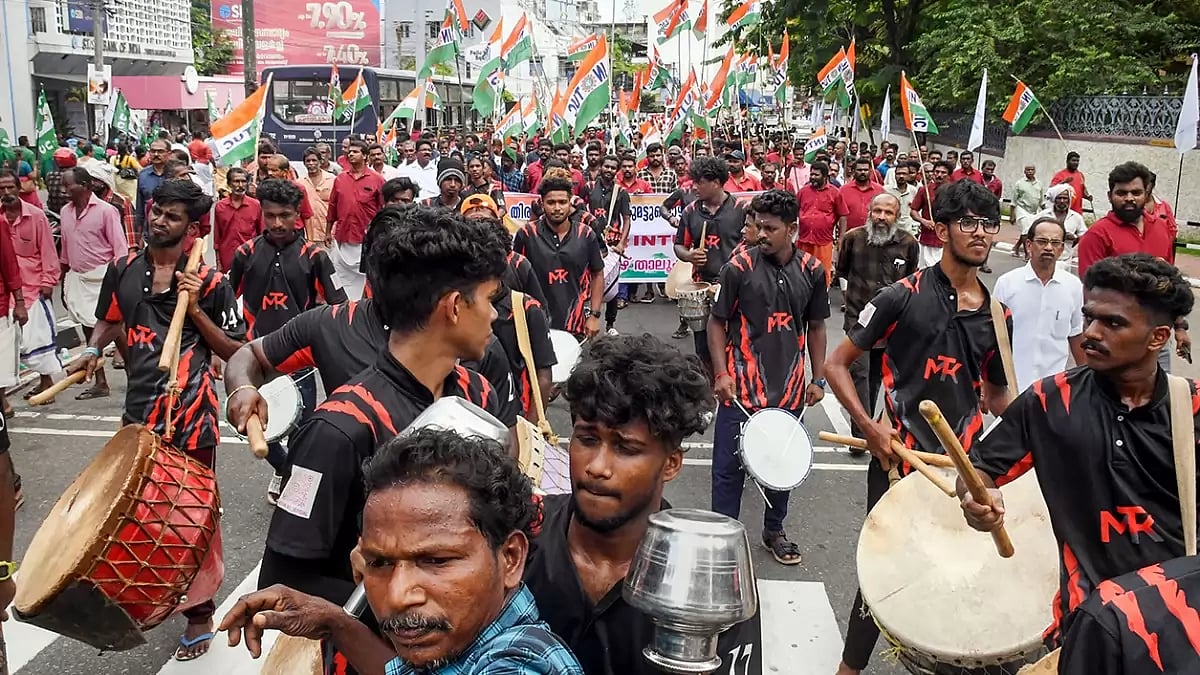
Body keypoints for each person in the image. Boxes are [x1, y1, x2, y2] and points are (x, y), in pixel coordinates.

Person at [248, 207, 508, 644]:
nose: (495, 315)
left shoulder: (479, 394)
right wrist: (394, 592)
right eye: (488, 300)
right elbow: (282, 580)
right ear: (454, 307)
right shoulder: (337, 430)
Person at [960, 252, 1199, 649]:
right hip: (1086, 624)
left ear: (1158, 338)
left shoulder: (1191, 408)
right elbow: (979, 469)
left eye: (1113, 323)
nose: (1091, 333)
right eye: (1089, 318)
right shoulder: (1049, 400)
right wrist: (977, 498)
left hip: (1179, 628)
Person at [826, 179, 1013, 675]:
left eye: (989, 224)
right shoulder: (900, 296)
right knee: (882, 572)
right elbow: (835, 365)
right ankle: (848, 669)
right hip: (899, 459)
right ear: (942, 230)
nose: (980, 233)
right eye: (968, 222)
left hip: (964, 469)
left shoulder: (999, 316)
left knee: (959, 569)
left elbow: (997, 397)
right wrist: (869, 427)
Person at [219, 428, 584, 674]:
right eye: (379, 562)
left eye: (436, 561)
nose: (396, 596)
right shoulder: (467, 641)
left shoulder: (522, 664)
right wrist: (334, 623)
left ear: (510, 558)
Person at [69, 178, 244, 660]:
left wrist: (197, 309)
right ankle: (149, 592)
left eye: (172, 215)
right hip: (139, 411)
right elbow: (110, 319)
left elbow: (236, 350)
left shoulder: (210, 281)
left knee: (192, 516)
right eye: (157, 211)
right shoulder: (122, 268)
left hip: (192, 415)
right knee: (139, 512)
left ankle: (200, 610)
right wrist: (92, 349)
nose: (159, 220)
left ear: (191, 228)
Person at [708, 190, 829, 565]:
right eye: (758, 226)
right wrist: (721, 373)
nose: (760, 233)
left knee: (781, 466)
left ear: (792, 229)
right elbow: (717, 322)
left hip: (789, 392)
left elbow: (817, 326)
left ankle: (774, 530)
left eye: (770, 228)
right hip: (741, 390)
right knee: (728, 470)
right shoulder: (737, 269)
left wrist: (818, 378)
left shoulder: (813, 271)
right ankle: (723, 534)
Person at [227, 179, 346, 502]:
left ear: (298, 215)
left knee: (302, 428)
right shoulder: (245, 254)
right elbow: (224, 301)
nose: (277, 223)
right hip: (257, 357)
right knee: (255, 425)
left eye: (285, 215)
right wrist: (228, 345)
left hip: (300, 358)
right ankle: (284, 469)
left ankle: (297, 479)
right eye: (270, 215)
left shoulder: (315, 256)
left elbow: (338, 306)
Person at [1076, 161, 1188, 373]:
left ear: (1146, 194)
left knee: (1160, 391)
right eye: (1121, 193)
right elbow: (1092, 293)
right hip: (1116, 341)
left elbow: (1169, 286)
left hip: (1156, 337)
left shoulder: (1161, 228)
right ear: (1110, 196)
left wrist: (1180, 327)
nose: (1129, 198)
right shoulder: (1097, 235)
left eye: (1136, 192)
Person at [834, 193, 918, 451]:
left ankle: (867, 423)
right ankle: (862, 435)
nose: (881, 217)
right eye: (877, 211)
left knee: (874, 377)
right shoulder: (853, 239)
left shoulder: (908, 244)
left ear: (897, 216)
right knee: (859, 373)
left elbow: (911, 281)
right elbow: (842, 271)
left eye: (888, 212)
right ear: (869, 213)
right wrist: (847, 297)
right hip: (858, 319)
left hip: (890, 325)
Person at [992, 216, 1086, 393]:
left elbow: (1076, 336)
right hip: (1012, 386)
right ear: (1029, 245)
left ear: (1061, 249)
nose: (1049, 247)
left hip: (1053, 390)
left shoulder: (1073, 287)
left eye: (1055, 243)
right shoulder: (1007, 283)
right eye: (1042, 241)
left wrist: (1088, 383)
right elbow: (992, 335)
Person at [672, 157, 747, 376]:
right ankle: (708, 386)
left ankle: (732, 383)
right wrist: (690, 255)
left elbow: (752, 245)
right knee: (703, 344)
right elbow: (679, 246)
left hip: (735, 287)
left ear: (716, 182)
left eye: (700, 182)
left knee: (735, 339)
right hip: (702, 287)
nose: (694, 186)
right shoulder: (690, 211)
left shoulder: (741, 209)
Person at [60, 166, 129, 400]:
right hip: (79, 277)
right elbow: (66, 249)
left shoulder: (107, 211)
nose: (64, 190)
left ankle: (134, 376)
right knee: (88, 327)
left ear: (85, 186)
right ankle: (99, 381)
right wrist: (64, 278)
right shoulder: (65, 212)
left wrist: (120, 282)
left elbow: (120, 250)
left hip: (103, 278)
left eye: (68, 185)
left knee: (115, 329)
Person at [513, 176, 605, 339]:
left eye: (562, 202)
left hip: (576, 325)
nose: (557, 208)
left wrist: (595, 315)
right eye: (551, 202)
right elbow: (515, 278)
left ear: (570, 203)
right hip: (535, 324)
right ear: (542, 203)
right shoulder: (526, 234)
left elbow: (597, 274)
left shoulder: (585, 234)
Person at [0, 170, 41, 411]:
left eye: (10, 187)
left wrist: (20, 302)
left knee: (3, 354)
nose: (6, 193)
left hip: (3, 303)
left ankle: (2, 401)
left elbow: (9, 266)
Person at [328, 138, 385, 300]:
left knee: (367, 281)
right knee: (340, 279)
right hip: (343, 238)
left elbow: (383, 209)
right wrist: (327, 232)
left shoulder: (377, 180)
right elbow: (332, 207)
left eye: (355, 152)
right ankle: (344, 308)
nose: (350, 154)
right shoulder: (340, 179)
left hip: (367, 239)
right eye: (349, 151)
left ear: (365, 156)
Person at [212, 168, 262, 272]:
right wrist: (218, 262)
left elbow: (261, 234)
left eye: (243, 181)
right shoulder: (220, 206)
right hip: (227, 258)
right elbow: (217, 237)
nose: (240, 185)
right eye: (236, 181)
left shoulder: (256, 205)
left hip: (250, 257)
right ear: (229, 183)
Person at [796, 161, 838, 285]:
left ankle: (822, 295)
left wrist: (840, 239)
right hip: (804, 239)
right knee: (802, 271)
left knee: (822, 273)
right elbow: (795, 210)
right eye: (811, 174)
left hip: (823, 241)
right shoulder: (803, 191)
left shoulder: (835, 192)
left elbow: (842, 216)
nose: (813, 177)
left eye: (816, 175)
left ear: (825, 176)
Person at [909, 160, 954, 269]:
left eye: (943, 172)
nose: (939, 175)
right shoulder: (925, 190)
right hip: (927, 238)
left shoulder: (955, 192)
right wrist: (923, 221)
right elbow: (913, 211)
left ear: (949, 175)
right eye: (937, 172)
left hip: (946, 238)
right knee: (924, 270)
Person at [1034, 184, 1088, 265]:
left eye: (1065, 198)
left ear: (1069, 200)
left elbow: (1084, 236)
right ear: (1054, 199)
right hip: (1043, 259)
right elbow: (1031, 233)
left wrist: (1074, 238)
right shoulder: (1043, 215)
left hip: (1065, 261)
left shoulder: (1076, 217)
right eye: (1059, 198)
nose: (1062, 201)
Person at [835, 157, 885, 243]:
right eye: (859, 170)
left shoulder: (880, 190)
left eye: (865, 170)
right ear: (853, 171)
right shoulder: (843, 190)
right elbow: (838, 214)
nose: (863, 172)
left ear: (870, 171)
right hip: (849, 237)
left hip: (874, 237)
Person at [299, 147, 335, 245]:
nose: (311, 163)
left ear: (320, 161)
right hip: (307, 235)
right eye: (308, 161)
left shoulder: (332, 180)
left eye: (314, 160)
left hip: (328, 233)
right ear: (304, 163)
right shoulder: (300, 183)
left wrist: (332, 231)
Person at [135, 138, 170, 238]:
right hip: (150, 231)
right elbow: (140, 207)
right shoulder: (143, 175)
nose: (156, 154)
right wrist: (139, 235)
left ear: (169, 153)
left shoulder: (175, 173)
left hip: (172, 230)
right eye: (153, 151)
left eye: (160, 151)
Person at [1010, 164, 1044, 258]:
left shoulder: (1039, 184)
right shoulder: (1019, 183)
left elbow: (1041, 201)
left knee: (1028, 230)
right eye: (1028, 170)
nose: (1030, 171)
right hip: (1022, 209)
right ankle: (1027, 253)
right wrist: (1012, 215)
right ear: (1024, 171)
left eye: (1032, 170)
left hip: (1033, 211)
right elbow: (1013, 201)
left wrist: (1047, 211)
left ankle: (1016, 247)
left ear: (1035, 171)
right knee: (1026, 230)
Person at [885, 160, 920, 236]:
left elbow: (917, 211)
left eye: (904, 174)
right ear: (895, 175)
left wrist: (915, 228)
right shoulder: (886, 190)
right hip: (890, 231)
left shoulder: (913, 190)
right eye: (898, 173)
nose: (901, 176)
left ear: (908, 175)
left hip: (909, 231)